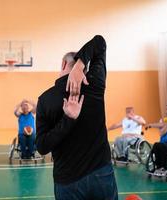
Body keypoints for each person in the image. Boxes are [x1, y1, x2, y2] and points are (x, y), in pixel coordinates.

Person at [36, 35, 118, 200]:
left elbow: (42, 147)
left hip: (68, 181)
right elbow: (99, 42)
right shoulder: (95, 83)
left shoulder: (45, 99)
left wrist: (68, 120)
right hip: (101, 174)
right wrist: (81, 64)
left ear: (64, 64)